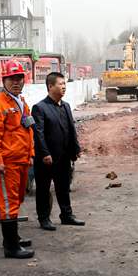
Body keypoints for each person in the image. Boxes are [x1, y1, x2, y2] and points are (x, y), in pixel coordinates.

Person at [0, 59, 35, 259]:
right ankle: (11, 247)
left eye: (19, 78)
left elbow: (28, 130)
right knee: (8, 203)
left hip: (22, 161)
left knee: (18, 199)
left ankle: (12, 239)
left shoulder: (20, 102)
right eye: (12, 78)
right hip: (8, 164)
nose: (16, 82)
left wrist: (31, 154)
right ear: (4, 80)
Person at [32, 72, 84, 231]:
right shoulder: (40, 108)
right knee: (43, 189)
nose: (64, 87)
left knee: (63, 188)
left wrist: (75, 148)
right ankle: (44, 218)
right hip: (46, 158)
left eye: (65, 84)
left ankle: (66, 215)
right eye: (60, 84)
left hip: (64, 156)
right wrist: (44, 153)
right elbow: (38, 134)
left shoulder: (66, 106)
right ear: (50, 86)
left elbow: (71, 129)